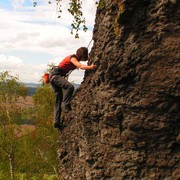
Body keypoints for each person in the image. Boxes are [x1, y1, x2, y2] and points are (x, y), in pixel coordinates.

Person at [49, 47, 97, 129]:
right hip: (56, 75)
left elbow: (82, 62)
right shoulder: (73, 58)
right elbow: (80, 66)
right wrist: (91, 67)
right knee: (70, 87)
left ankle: (56, 122)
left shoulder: (75, 59)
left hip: (53, 77)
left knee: (58, 99)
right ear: (82, 55)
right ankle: (65, 104)